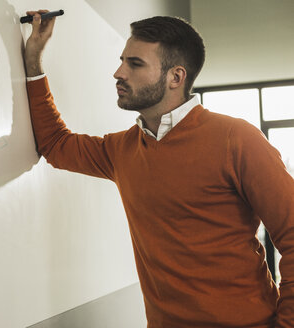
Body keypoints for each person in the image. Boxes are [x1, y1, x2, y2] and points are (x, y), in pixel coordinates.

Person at [22, 10, 294, 328]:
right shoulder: (121, 150)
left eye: (135, 64)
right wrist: (33, 61)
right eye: (123, 60)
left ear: (175, 77)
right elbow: (55, 145)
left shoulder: (237, 138)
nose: (118, 72)